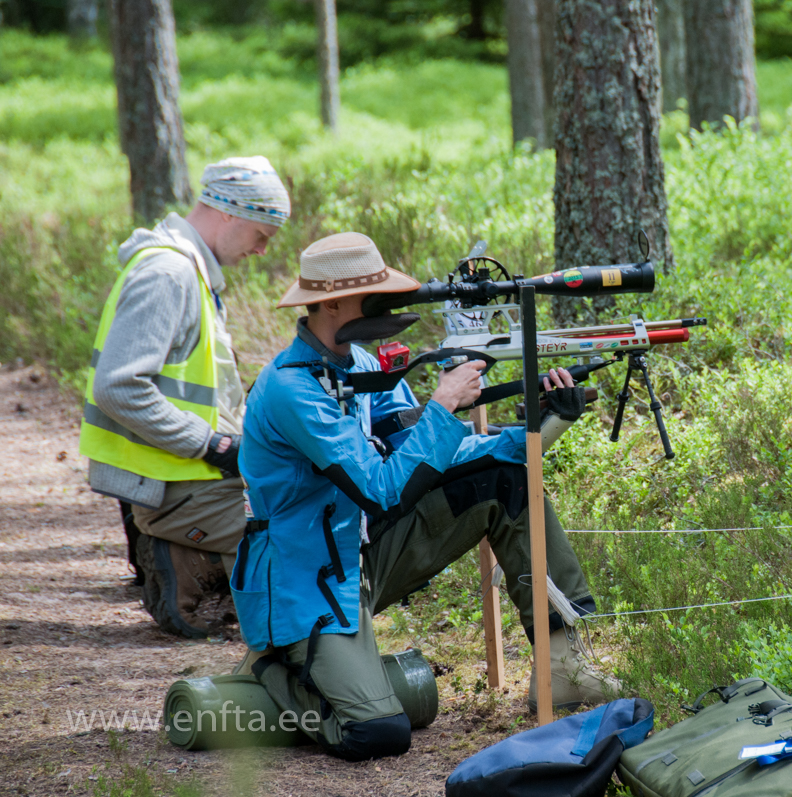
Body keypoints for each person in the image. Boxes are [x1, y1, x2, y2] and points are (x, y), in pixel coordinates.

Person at [234, 232, 619, 760]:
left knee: (504, 479)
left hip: (366, 555)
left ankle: (565, 666)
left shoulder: (363, 366)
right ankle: (270, 665)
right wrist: (442, 405)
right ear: (330, 304)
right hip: (307, 583)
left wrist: (543, 422)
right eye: (378, 296)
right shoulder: (291, 389)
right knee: (378, 732)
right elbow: (381, 490)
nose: (391, 307)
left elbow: (435, 457)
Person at [79, 156, 291, 639]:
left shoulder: (189, 272)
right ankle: (183, 564)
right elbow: (118, 385)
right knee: (302, 536)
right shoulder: (168, 274)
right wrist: (212, 445)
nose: (262, 250)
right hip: (177, 483)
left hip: (189, 475)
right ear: (230, 213)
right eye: (263, 234)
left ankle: (197, 561)